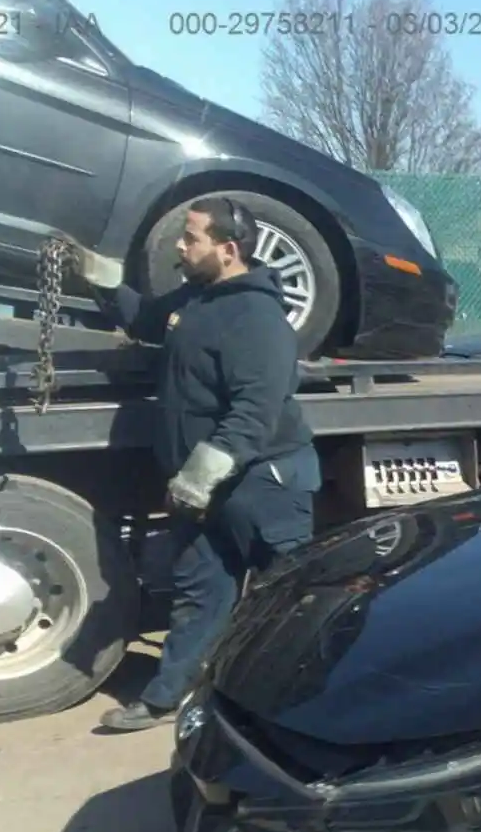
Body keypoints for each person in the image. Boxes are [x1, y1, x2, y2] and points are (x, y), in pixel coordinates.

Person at [60, 199, 320, 731]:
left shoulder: (257, 316)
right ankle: (167, 695)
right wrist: (100, 279)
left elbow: (256, 410)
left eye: (192, 237)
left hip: (260, 485)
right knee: (199, 589)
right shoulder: (195, 299)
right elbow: (144, 319)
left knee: (289, 600)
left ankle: (304, 707)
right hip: (200, 490)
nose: (181, 245)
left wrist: (202, 475)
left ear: (227, 250)